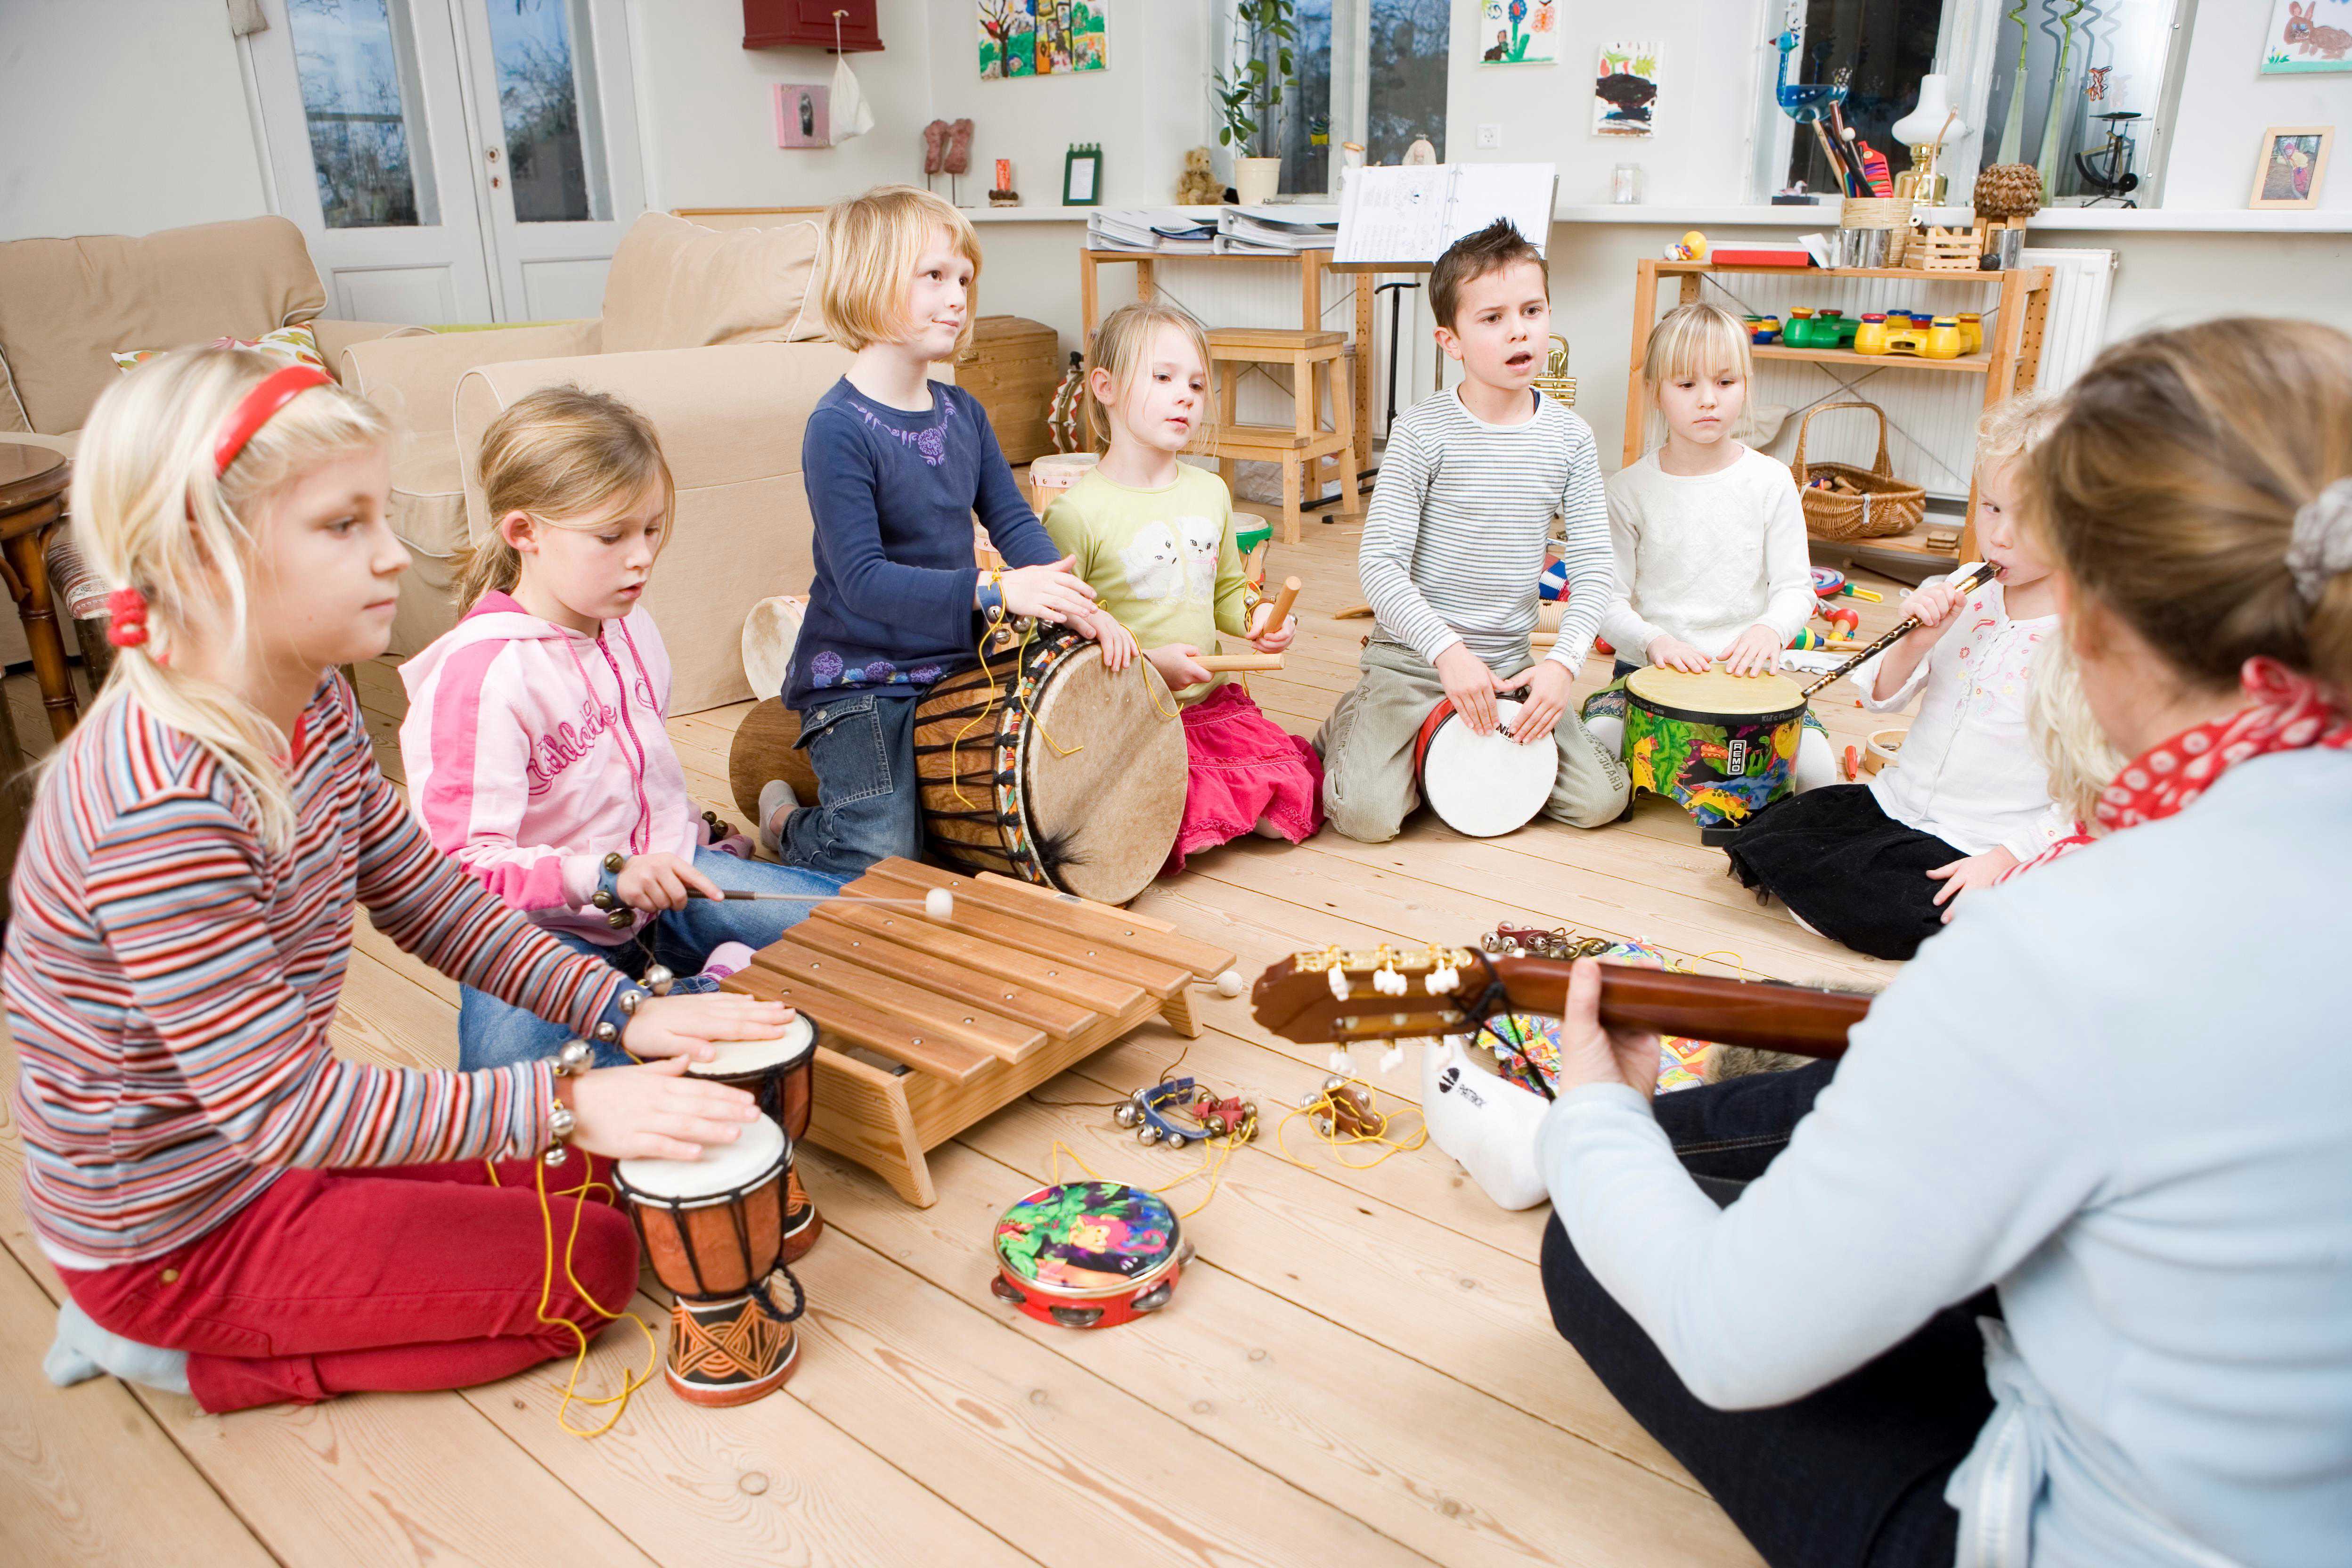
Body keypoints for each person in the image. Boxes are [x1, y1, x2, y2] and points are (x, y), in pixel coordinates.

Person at [1536, 318, 2352, 1567]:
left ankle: (1574, 1135)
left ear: (2089, 615)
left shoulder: (2070, 944)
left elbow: (1727, 1331)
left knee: (1591, 1243)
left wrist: (1591, 1113)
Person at [17, 349, 799, 1414]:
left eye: (381, 517)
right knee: (592, 1273)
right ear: (205, 555)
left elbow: (434, 902)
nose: (396, 556)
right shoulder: (162, 806)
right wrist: (573, 1097)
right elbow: (287, 1108)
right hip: (178, 1226)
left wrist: (630, 1014)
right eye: (345, 526)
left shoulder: (315, 702)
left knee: (591, 1181)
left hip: (271, 1145)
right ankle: (161, 1344)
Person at [398, 386, 843, 1258]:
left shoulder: (629, 625)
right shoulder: (482, 681)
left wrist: (672, 855)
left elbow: (642, 782)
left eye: (651, 529)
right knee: (517, 1112)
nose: (641, 558)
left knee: (852, 928)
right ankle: (700, 1005)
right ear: (524, 532)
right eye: (612, 537)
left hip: (676, 885)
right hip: (534, 940)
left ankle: (701, 976)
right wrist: (595, 876)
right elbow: (455, 871)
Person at [761, 184, 1108, 881]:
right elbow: (861, 580)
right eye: (934, 277)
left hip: (954, 659)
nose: (957, 298)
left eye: (964, 280)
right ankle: (785, 827)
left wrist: (1074, 600)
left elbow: (1009, 519)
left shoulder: (963, 412)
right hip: (861, 677)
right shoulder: (837, 428)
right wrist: (1000, 591)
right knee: (880, 853)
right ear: (868, 282)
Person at [1721, 394, 2074, 959]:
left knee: (1898, 903)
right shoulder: (1968, 586)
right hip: (1897, 802)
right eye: (1991, 508)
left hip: (1982, 839)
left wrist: (2003, 858)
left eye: (2026, 517)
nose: (2000, 536)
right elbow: (1882, 701)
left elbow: (2090, 793)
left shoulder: (2083, 641)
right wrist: (1919, 637)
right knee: (1776, 831)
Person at [1316, 219, 1628, 842]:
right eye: (1492, 318)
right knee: (1367, 817)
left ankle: (1437, 747)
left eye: (1532, 310)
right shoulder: (1420, 432)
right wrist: (1447, 655)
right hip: (1414, 660)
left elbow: (1596, 566)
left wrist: (1563, 665)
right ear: (1450, 340)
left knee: (1602, 802)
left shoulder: (1570, 437)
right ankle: (1360, 720)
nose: (1520, 330)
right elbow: (1379, 567)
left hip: (1511, 663)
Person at [1039, 301, 1322, 873]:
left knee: (1284, 804)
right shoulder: (1076, 513)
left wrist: (1259, 619)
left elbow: (1224, 591)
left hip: (1206, 705)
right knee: (1157, 818)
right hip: (1129, 716)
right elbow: (1060, 647)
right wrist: (1148, 667)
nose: (1186, 395)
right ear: (1106, 387)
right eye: (1163, 378)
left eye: (1197, 382)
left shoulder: (1211, 490)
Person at [1580, 302, 1834, 791]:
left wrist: (1769, 631)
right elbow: (1605, 598)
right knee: (1598, 749)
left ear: (1746, 383)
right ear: (1655, 391)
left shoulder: (1772, 480)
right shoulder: (1627, 490)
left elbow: (1796, 589)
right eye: (1686, 384)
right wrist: (1654, 641)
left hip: (1746, 675)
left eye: (1725, 382)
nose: (1708, 401)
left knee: (1820, 775)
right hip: (1650, 673)